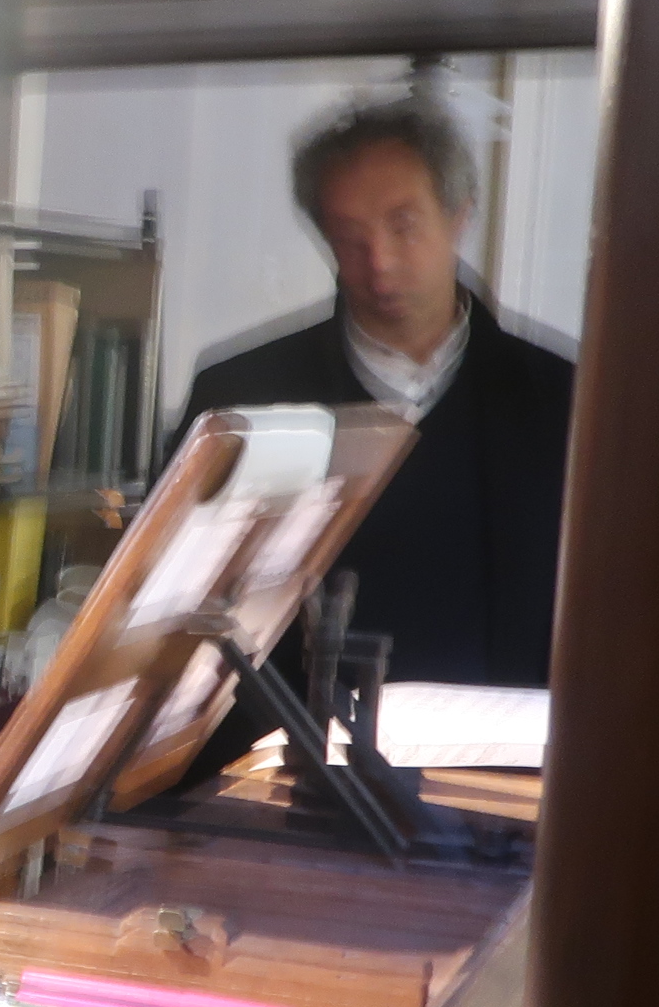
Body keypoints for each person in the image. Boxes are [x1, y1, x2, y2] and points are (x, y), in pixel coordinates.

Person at [177, 90, 577, 696]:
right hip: (292, 748)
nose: (380, 262)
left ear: (459, 216)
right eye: (350, 237)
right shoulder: (242, 398)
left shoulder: (562, 402)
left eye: (403, 225)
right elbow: (189, 627)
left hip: (506, 747)